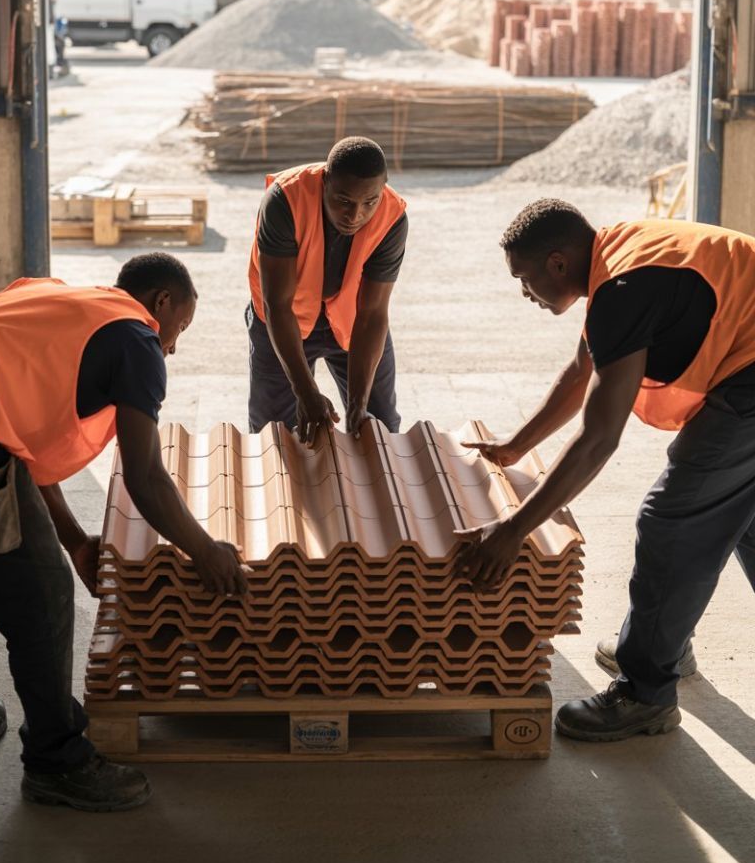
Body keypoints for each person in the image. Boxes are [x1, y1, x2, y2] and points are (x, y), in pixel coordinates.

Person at [456, 199, 755, 742]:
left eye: (525, 279)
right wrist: (514, 448)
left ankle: (646, 693)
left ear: (557, 263)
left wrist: (512, 531)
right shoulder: (615, 256)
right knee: (739, 514)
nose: (524, 294)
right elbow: (581, 371)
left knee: (672, 519)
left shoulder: (621, 288)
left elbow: (598, 440)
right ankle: (661, 640)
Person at [0, 254, 248, 808]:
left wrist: (75, 540)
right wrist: (204, 551)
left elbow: (16, 442)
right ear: (161, 302)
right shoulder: (135, 339)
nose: (173, 346)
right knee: (43, 595)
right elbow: (145, 478)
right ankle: (56, 762)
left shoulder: (59, 301)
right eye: (178, 328)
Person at [247, 136, 408, 442]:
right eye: (343, 200)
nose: (355, 215)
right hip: (282, 320)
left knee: (379, 426)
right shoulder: (284, 199)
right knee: (273, 434)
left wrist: (357, 406)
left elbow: (373, 314)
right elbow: (278, 305)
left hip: (351, 321)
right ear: (325, 182)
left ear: (383, 188)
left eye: (369, 202)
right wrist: (306, 392)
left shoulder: (393, 215)